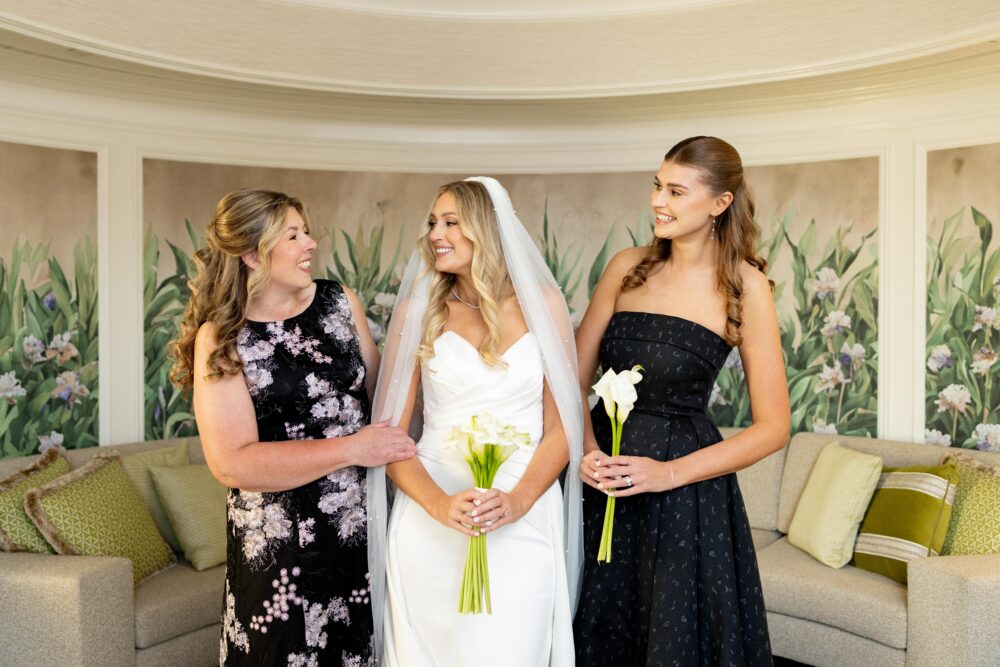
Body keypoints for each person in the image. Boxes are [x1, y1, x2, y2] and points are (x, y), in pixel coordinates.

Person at [170, 188, 416, 666]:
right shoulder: (221, 338)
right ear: (251, 255)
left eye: (306, 231)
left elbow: (383, 400)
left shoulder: (340, 302)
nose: (311, 243)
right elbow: (232, 463)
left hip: (360, 529)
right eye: (293, 235)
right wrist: (352, 448)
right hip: (278, 550)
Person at [573, 137, 790, 666]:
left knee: (672, 640)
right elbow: (572, 379)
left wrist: (666, 474)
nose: (657, 201)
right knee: (595, 626)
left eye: (675, 191)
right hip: (599, 483)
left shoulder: (746, 286)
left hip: (683, 496)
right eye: (657, 186)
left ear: (720, 203)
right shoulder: (627, 266)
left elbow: (773, 427)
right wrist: (587, 450)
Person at [369, 178, 584, 666]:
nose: (435, 234)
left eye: (451, 222)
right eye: (432, 223)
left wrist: (519, 500)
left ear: (486, 228)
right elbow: (389, 438)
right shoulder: (418, 311)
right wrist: (438, 504)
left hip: (524, 511)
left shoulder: (543, 305)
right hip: (431, 512)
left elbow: (563, 428)